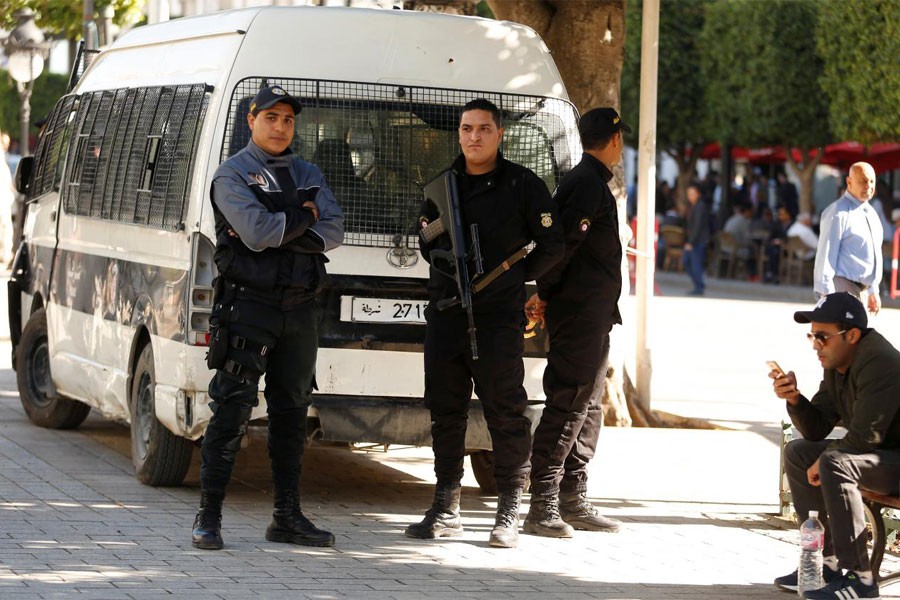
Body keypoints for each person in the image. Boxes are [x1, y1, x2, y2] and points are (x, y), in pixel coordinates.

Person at [405, 98, 564, 549]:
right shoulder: (443, 186)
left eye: (483, 129)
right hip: (447, 313)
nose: (474, 136)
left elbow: (553, 244)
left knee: (505, 412)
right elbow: (424, 241)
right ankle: (445, 505)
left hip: (496, 318)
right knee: (445, 411)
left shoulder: (522, 185)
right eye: (467, 128)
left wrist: (516, 277)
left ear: (499, 134)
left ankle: (510, 508)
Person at [191, 85, 344, 551]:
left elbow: (334, 229)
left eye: (288, 120)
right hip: (248, 306)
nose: (280, 127)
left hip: (300, 307)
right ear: (251, 120)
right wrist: (303, 216)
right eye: (271, 117)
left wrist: (284, 226)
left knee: (292, 411)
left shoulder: (307, 170)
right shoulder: (232, 174)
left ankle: (287, 518)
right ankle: (209, 517)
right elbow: (256, 235)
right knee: (233, 408)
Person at [521, 107, 626, 539]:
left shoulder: (590, 182)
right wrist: (544, 292)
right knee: (568, 403)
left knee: (588, 404)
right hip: (579, 312)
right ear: (614, 140)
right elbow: (562, 245)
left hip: (592, 313)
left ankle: (572, 495)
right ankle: (542, 503)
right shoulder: (585, 184)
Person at [770, 292, 900, 599]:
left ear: (852, 335)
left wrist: (827, 458)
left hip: (893, 458)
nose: (816, 344)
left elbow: (865, 438)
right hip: (881, 458)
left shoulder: (880, 363)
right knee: (799, 452)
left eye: (823, 337)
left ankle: (860, 579)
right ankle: (824, 563)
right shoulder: (837, 363)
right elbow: (816, 428)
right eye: (812, 336)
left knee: (834, 461)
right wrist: (794, 399)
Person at [813, 162, 882, 313]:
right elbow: (826, 257)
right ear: (849, 182)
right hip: (842, 289)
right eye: (863, 181)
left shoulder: (872, 214)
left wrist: (872, 290)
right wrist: (826, 296)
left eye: (872, 181)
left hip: (861, 291)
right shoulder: (837, 213)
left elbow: (875, 254)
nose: (868, 186)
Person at [683, 183, 709, 295]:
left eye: (692, 194)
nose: (690, 196)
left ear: (698, 194)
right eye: (689, 194)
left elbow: (697, 226)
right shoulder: (693, 206)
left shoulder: (700, 207)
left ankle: (699, 287)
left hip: (697, 241)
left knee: (695, 264)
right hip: (694, 240)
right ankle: (699, 284)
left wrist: (691, 242)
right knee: (688, 262)